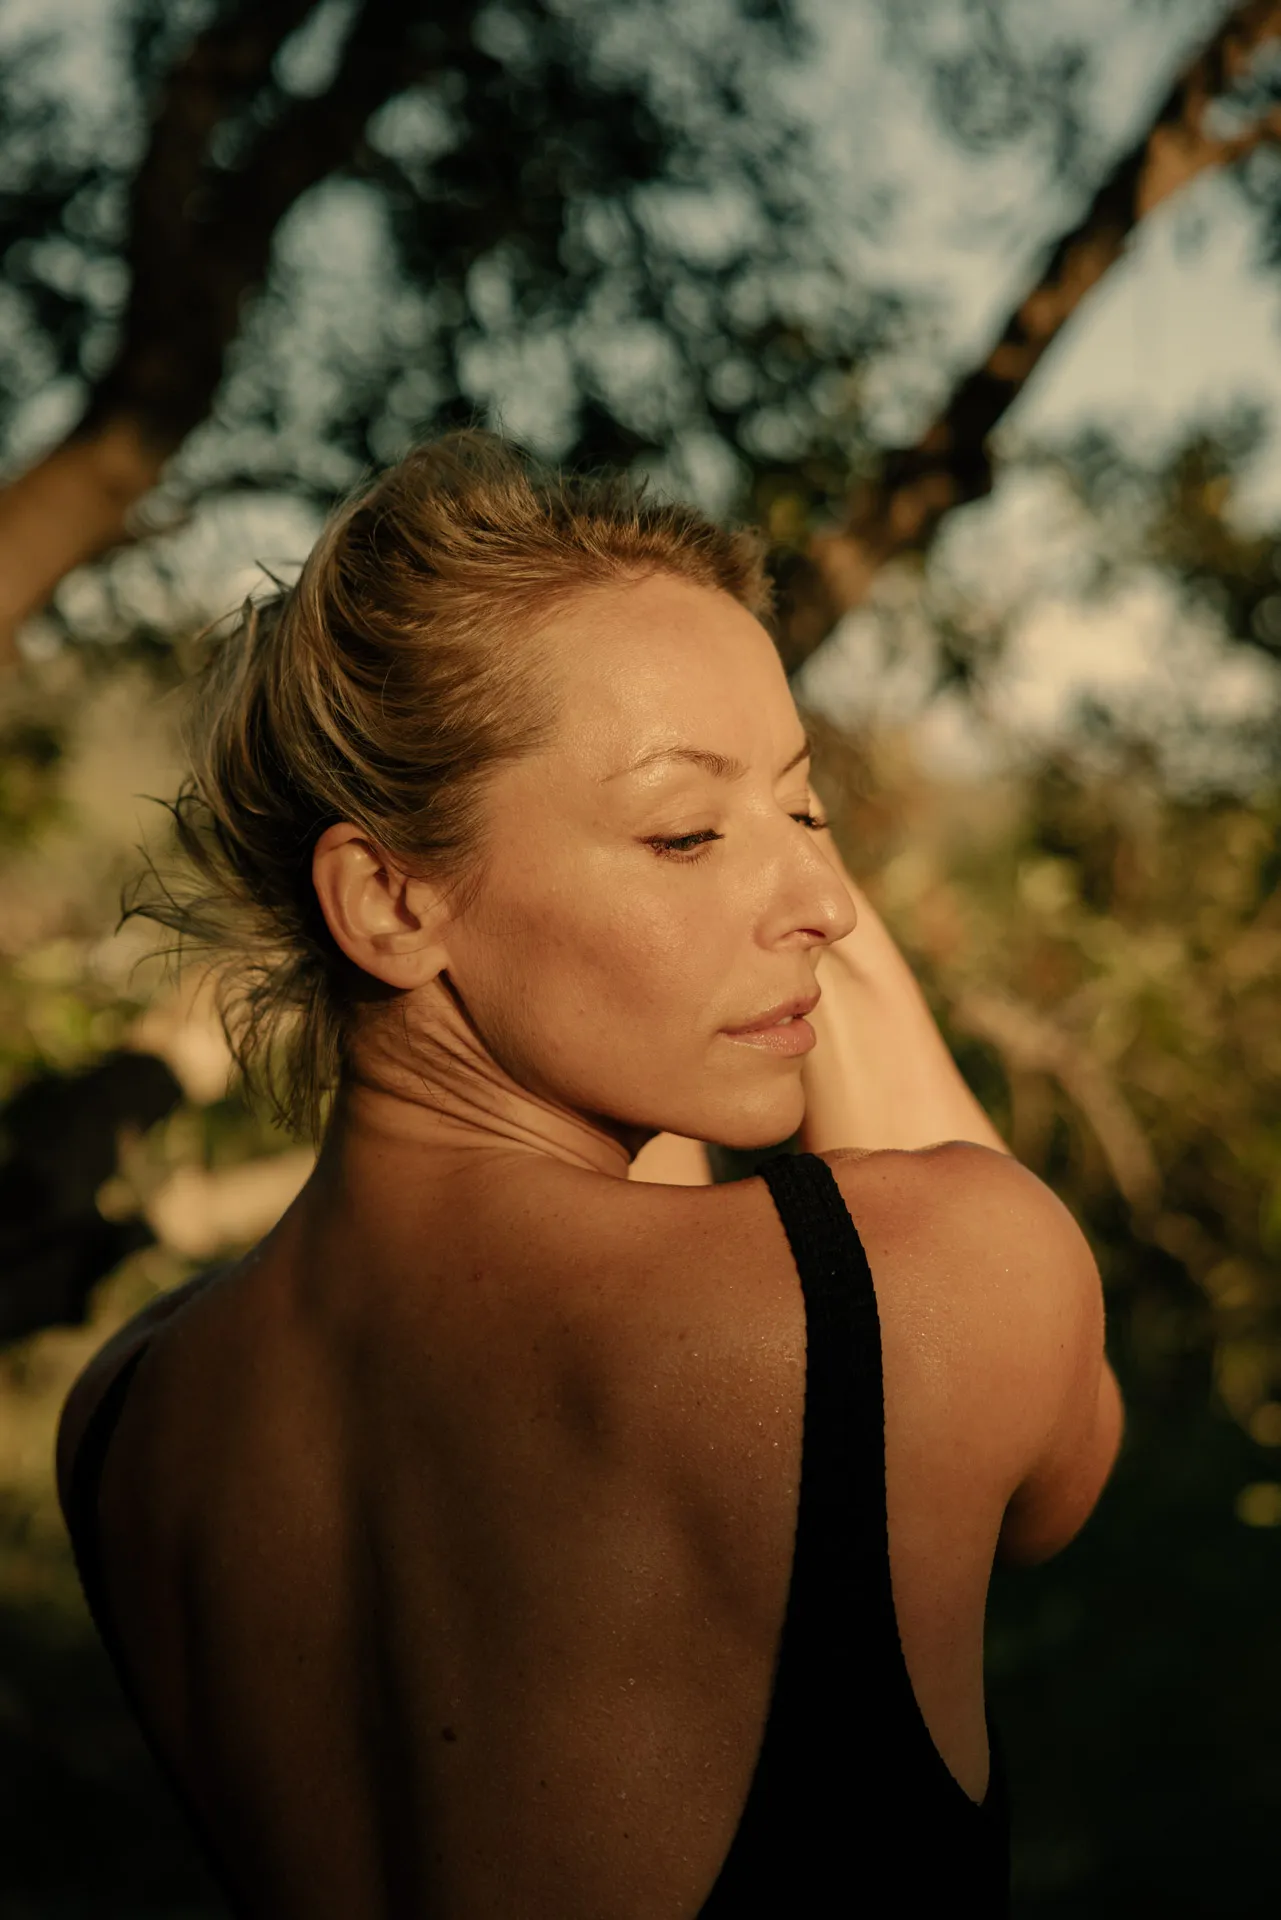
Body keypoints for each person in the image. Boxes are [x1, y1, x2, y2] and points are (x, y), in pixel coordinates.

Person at [57, 432, 1122, 1918]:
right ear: (389, 900)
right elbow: (1063, 1480)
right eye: (685, 834)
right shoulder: (922, 1287)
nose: (825, 902)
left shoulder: (128, 1412)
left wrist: (733, 834)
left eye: (808, 812)